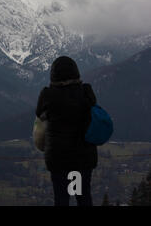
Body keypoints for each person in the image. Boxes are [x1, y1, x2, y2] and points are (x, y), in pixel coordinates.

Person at [35, 56, 97, 206]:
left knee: (61, 198)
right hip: (83, 157)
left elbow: (39, 114)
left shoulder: (47, 94)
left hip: (58, 158)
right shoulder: (86, 91)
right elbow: (94, 109)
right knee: (83, 197)